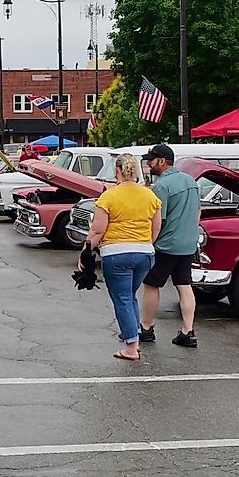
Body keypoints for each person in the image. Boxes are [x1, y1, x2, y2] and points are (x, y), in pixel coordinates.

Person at [84, 153, 161, 361]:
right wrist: (145, 244)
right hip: (145, 253)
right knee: (130, 295)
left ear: (117, 171)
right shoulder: (150, 196)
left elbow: (98, 231)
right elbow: (156, 229)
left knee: (123, 298)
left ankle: (131, 346)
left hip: (116, 253)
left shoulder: (108, 196)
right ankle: (135, 337)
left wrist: (85, 252)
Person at [140, 144, 200, 348]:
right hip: (188, 243)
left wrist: (148, 241)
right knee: (184, 285)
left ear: (162, 161)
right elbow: (197, 213)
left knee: (151, 284)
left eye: (152, 160)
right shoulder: (192, 182)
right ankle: (188, 331)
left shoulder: (161, 187)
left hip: (166, 245)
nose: (149, 164)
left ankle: (146, 328)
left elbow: (159, 220)